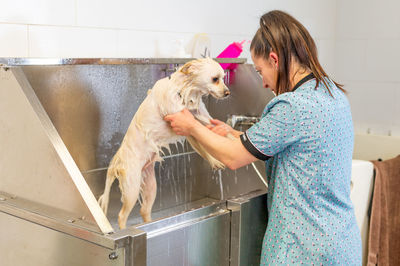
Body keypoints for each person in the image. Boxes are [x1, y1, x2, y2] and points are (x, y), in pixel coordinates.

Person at [164, 10, 362, 265]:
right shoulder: (331, 94)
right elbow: (295, 147)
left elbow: (234, 159)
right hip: (341, 244)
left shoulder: (292, 106)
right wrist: (233, 134)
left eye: (259, 71)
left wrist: (191, 126)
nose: (264, 83)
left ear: (274, 59)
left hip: (303, 251)